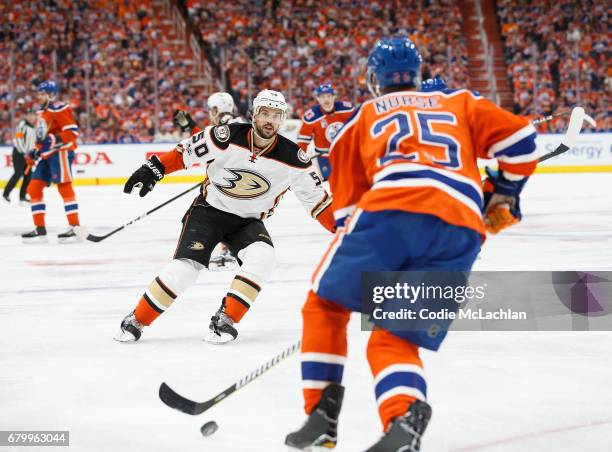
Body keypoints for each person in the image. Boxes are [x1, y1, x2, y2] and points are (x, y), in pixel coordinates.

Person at [285, 37, 538, 451]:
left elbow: (346, 216)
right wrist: (506, 190)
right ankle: (403, 418)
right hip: (460, 227)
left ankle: (321, 417)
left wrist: (368, 274)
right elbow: (523, 144)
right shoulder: (459, 102)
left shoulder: (362, 117)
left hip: (390, 211)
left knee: (324, 305)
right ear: (418, 76)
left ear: (373, 80)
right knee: (393, 336)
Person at [115, 89, 335, 344]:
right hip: (208, 213)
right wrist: (154, 168)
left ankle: (226, 318)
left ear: (283, 119)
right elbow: (185, 152)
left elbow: (319, 203)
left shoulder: (295, 159)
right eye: (265, 113)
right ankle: (137, 319)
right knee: (185, 270)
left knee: (263, 256)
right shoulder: (226, 135)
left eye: (276, 115)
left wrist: (346, 229)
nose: (269, 120)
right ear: (254, 114)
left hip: (247, 222)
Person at [172, 91, 245, 270]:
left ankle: (232, 250)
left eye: (212, 109)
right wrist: (191, 127)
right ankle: (232, 249)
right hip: (233, 180)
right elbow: (209, 145)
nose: (210, 113)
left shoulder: (232, 124)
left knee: (226, 215)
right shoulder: (231, 123)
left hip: (236, 181)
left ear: (219, 108)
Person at [21, 81, 81, 243]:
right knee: (33, 188)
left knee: (64, 186)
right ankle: (40, 228)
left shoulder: (60, 108)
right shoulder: (42, 111)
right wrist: (35, 150)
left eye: (42, 94)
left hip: (60, 152)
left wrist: (54, 139)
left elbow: (72, 132)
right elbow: (43, 136)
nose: (38, 97)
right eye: (38, 94)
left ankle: (75, 227)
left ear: (51, 94)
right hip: (47, 154)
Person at [296, 83, 354, 181]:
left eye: (328, 96)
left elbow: (358, 129)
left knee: (351, 180)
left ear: (334, 97)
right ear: (318, 99)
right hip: (325, 157)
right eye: (322, 97)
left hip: (346, 154)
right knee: (329, 183)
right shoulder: (311, 116)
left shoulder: (347, 109)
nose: (326, 100)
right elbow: (303, 141)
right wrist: (300, 162)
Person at [3, 102, 36, 204]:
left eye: (33, 116)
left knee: (28, 176)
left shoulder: (33, 127)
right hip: (19, 153)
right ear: (26, 116)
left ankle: (22, 196)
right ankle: (6, 193)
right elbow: (18, 140)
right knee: (18, 173)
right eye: (29, 115)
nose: (31, 117)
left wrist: (31, 154)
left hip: (27, 155)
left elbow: (32, 143)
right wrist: (24, 153)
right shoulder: (22, 125)